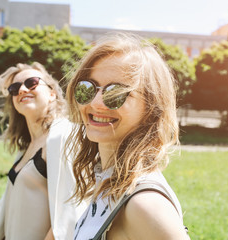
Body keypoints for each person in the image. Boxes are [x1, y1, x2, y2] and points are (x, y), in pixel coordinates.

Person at [66, 33, 189, 239]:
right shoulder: (108, 182)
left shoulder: (145, 204)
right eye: (87, 88)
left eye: (115, 93)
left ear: (151, 108)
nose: (96, 103)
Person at [0, 62, 85, 240]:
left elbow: (69, 214)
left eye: (31, 82)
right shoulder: (27, 147)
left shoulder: (63, 136)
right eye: (14, 88)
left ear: (52, 93)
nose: (22, 90)